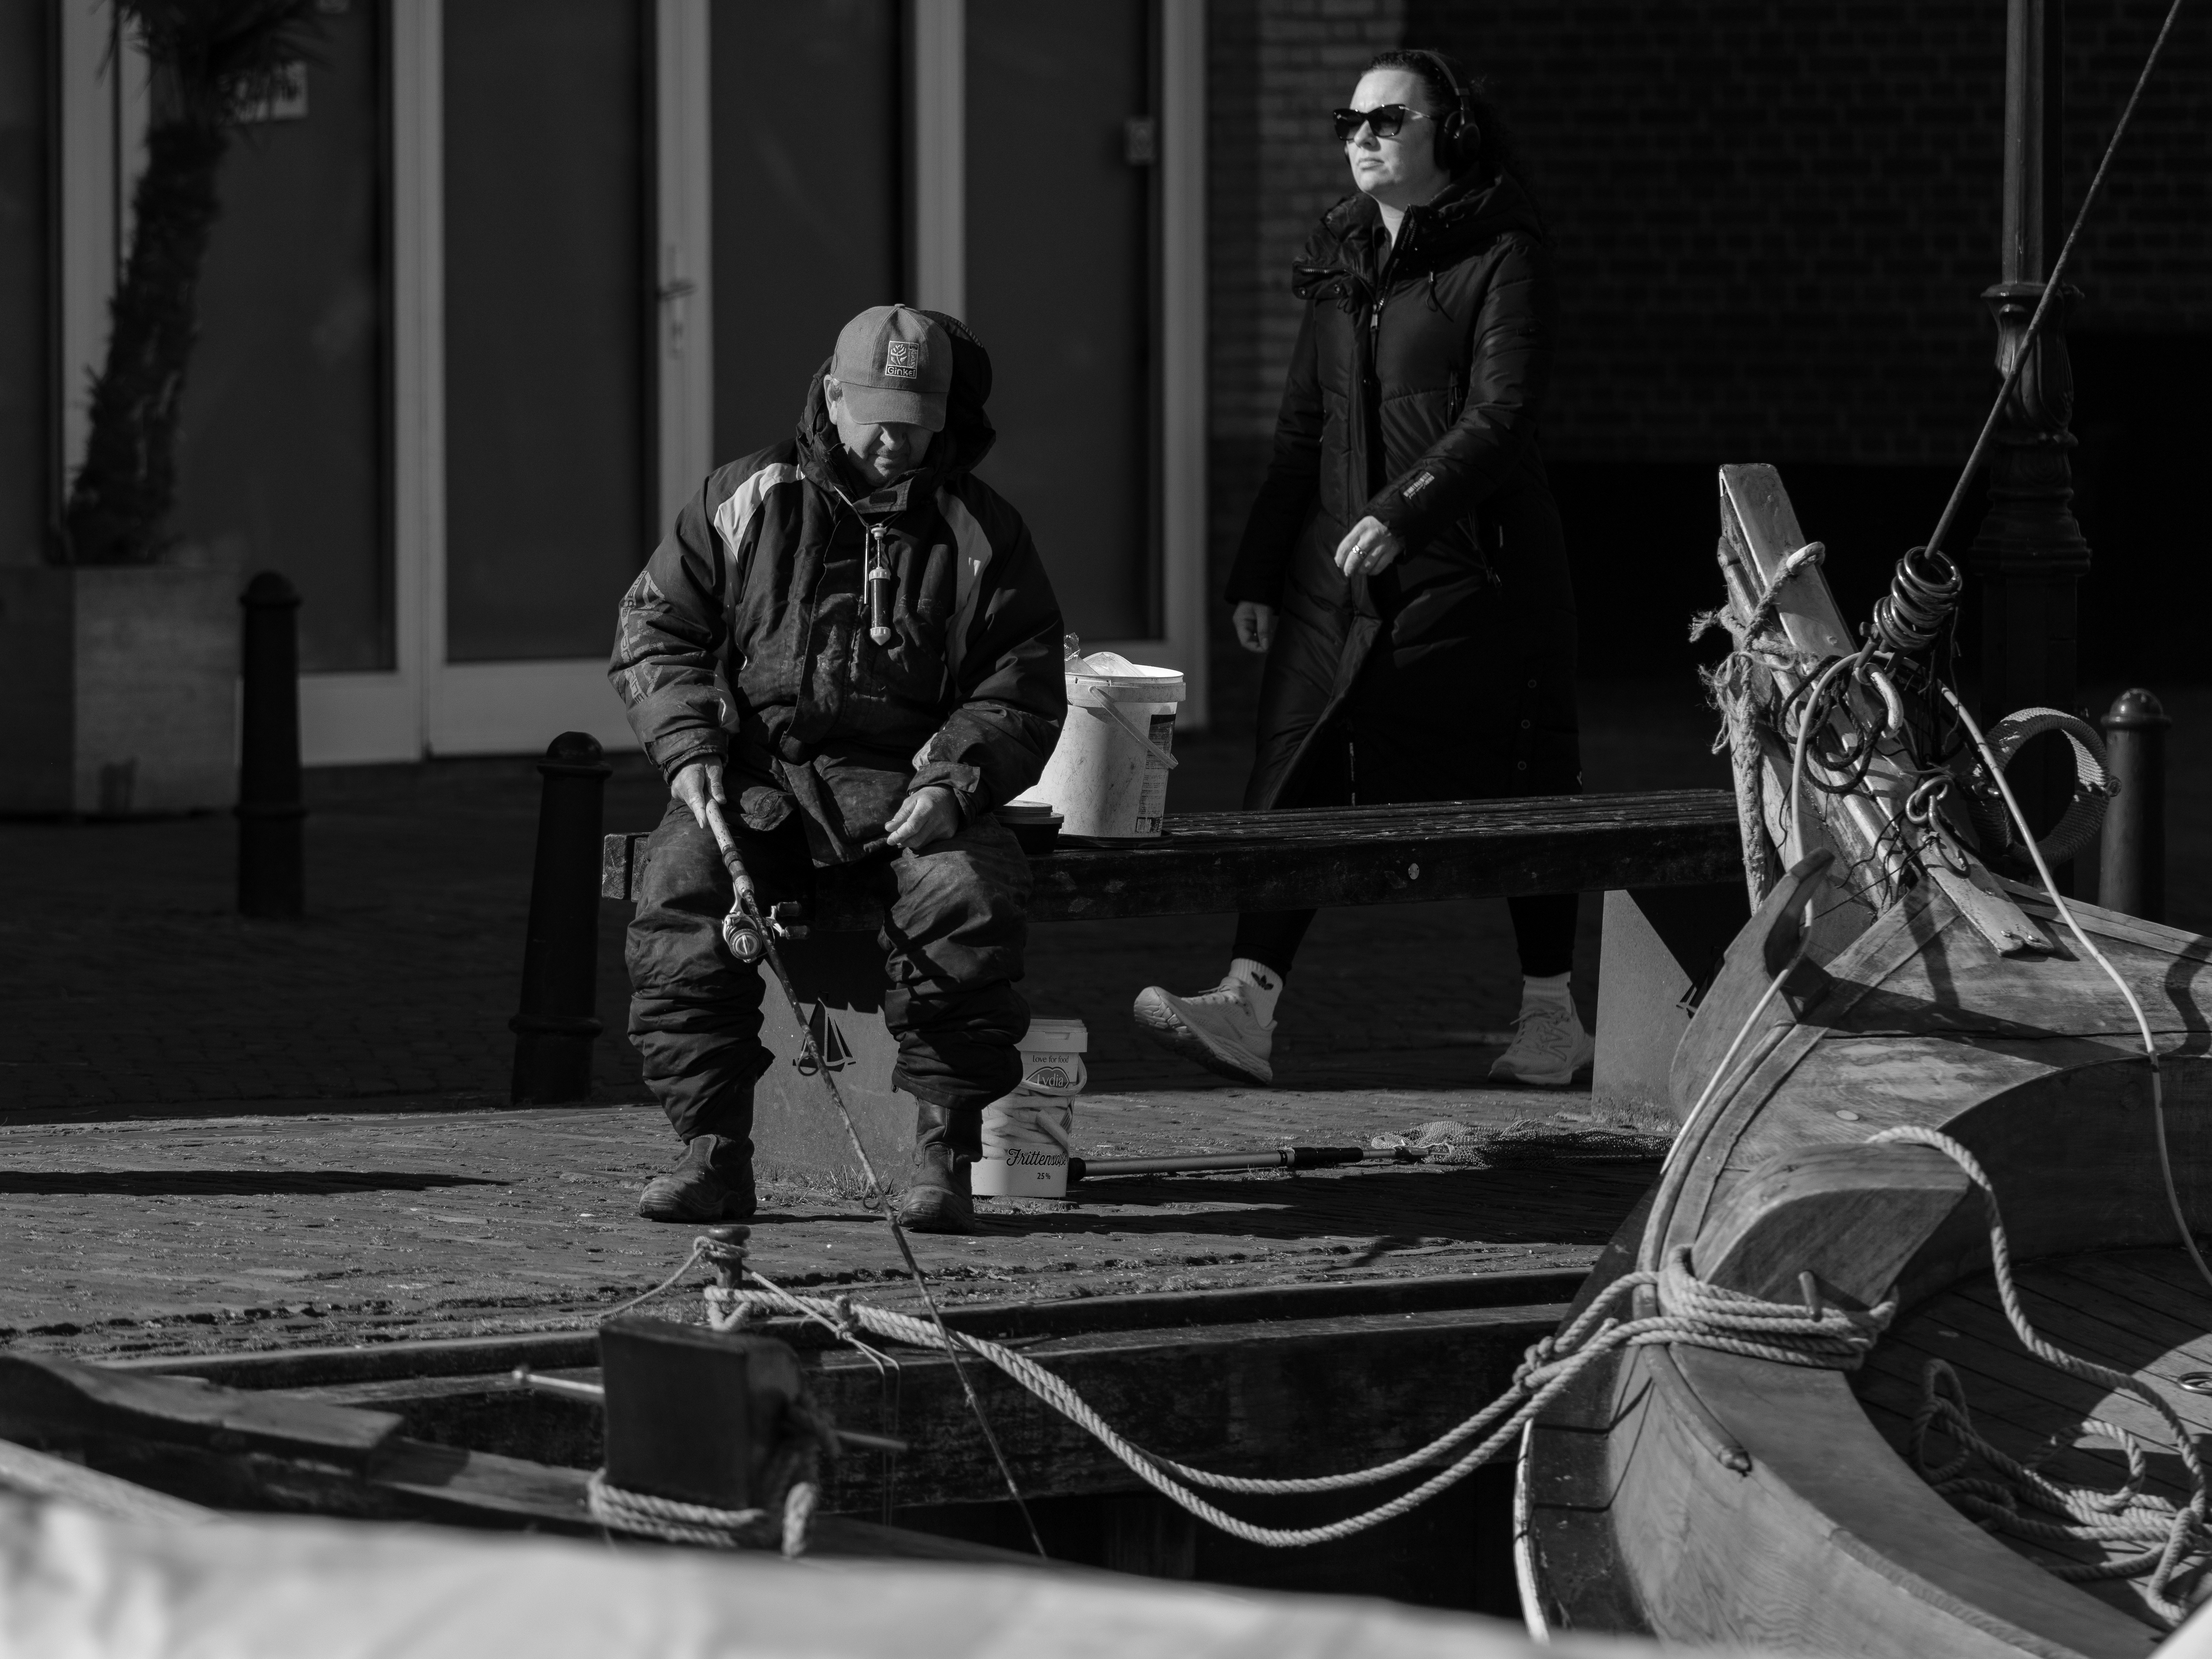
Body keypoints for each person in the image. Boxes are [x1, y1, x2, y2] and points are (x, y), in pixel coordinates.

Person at [1134, 49, 1587, 1088]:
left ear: (1451, 135)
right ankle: (1247, 1001)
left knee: (1520, 786)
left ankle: (1551, 1016)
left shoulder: (1504, 252)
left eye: (1387, 120)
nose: (1362, 136)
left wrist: (1405, 510)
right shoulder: (1340, 261)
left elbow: (1503, 414)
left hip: (1478, 575)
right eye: (1350, 121)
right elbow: (1304, 427)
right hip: (1330, 577)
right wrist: (1255, 569)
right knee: (1291, 767)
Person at [610, 304, 1066, 1235]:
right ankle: (712, 1152)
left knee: (963, 901)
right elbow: (656, 630)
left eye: (918, 418)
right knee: (681, 892)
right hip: (759, 783)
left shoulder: (983, 529)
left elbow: (1017, 687)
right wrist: (688, 748)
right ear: (831, 396)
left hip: (914, 785)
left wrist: (954, 782)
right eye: (878, 417)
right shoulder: (744, 496)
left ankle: (941, 1156)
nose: (898, 441)